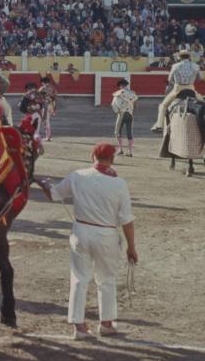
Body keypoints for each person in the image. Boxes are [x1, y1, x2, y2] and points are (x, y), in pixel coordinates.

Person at [37, 143, 138, 340]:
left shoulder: (78, 176)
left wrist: (44, 184)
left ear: (92, 156)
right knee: (107, 279)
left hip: (81, 231)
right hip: (106, 234)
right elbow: (127, 220)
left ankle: (79, 325)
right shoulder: (119, 184)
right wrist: (131, 247)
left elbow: (54, 194)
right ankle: (106, 322)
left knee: (79, 278)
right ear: (112, 159)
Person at [151, 50, 203, 132]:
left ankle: (159, 125)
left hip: (177, 89)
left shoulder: (175, 66)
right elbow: (200, 79)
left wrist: (175, 82)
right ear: (189, 57)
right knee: (202, 102)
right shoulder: (195, 66)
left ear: (180, 57)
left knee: (163, 106)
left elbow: (170, 79)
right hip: (191, 89)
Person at [111, 79, 138, 156]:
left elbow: (113, 105)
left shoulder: (117, 94)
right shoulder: (132, 93)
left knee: (117, 132)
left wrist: (117, 112)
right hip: (130, 114)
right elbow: (135, 103)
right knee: (130, 133)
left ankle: (121, 150)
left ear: (120, 86)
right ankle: (130, 152)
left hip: (121, 114)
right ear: (126, 85)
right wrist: (132, 113)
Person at [38, 75, 58, 141]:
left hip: (45, 105)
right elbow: (55, 98)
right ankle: (48, 136)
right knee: (47, 120)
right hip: (51, 105)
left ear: (43, 82)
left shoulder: (42, 88)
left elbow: (38, 96)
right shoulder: (53, 88)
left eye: (42, 82)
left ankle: (48, 136)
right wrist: (55, 108)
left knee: (46, 120)